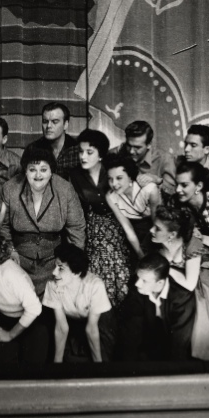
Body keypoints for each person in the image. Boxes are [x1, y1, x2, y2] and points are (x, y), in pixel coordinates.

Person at [2, 146, 86, 296]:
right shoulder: (10, 188)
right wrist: (10, 251)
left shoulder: (65, 189)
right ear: (25, 170)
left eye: (43, 169)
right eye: (32, 169)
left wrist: (70, 264)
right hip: (18, 259)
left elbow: (76, 228)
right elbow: (3, 225)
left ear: (51, 171)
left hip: (54, 261)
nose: (38, 175)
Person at [151, 205, 209, 360]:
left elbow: (190, 283)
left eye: (157, 228)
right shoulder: (156, 242)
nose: (151, 230)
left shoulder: (193, 243)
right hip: (178, 273)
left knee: (201, 314)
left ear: (172, 235)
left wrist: (165, 267)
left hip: (202, 274)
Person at [68, 130, 131, 308]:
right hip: (93, 228)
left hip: (118, 226)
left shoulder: (112, 172)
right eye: (81, 152)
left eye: (89, 152)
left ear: (101, 154)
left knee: (122, 276)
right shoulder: (75, 176)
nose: (83, 156)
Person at [0, 230, 47, 363]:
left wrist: (10, 335)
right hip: (1, 318)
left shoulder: (11, 274)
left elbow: (34, 308)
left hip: (30, 322)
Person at [42, 244, 114, 363]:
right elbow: (61, 327)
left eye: (60, 268)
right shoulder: (52, 284)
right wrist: (57, 363)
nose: (54, 272)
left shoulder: (95, 285)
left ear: (76, 273)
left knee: (102, 358)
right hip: (73, 321)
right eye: (55, 266)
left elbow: (91, 328)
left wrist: (99, 366)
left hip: (100, 323)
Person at [118, 252, 194, 362]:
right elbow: (131, 334)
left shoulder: (181, 298)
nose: (137, 284)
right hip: (148, 342)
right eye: (139, 278)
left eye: (144, 281)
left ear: (159, 283)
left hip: (172, 347)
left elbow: (179, 344)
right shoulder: (136, 288)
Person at [104, 153, 161, 258]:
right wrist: (141, 256)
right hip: (134, 234)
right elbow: (128, 229)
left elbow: (158, 223)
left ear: (130, 176)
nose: (114, 184)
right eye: (110, 179)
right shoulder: (111, 196)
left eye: (119, 178)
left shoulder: (149, 189)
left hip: (156, 229)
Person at [110, 120, 175, 194]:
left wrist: (157, 181)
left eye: (137, 147)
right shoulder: (114, 154)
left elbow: (173, 192)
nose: (131, 151)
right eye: (128, 145)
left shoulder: (165, 160)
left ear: (149, 145)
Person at [26, 102, 80, 180]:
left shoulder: (77, 150)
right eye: (45, 121)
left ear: (65, 125)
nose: (48, 126)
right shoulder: (32, 149)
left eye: (55, 122)